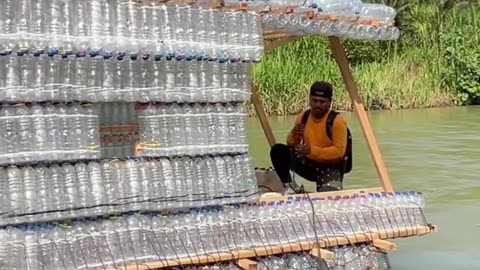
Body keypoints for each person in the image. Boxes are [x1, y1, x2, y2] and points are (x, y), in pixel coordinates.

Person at [270, 81, 350, 193]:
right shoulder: (303, 117)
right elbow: (291, 144)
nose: (317, 105)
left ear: (329, 103)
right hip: (308, 163)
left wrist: (311, 150)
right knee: (278, 150)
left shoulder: (337, 122)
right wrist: (294, 133)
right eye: (314, 100)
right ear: (309, 100)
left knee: (329, 198)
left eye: (322, 102)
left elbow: (339, 151)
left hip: (330, 167)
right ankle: (290, 186)